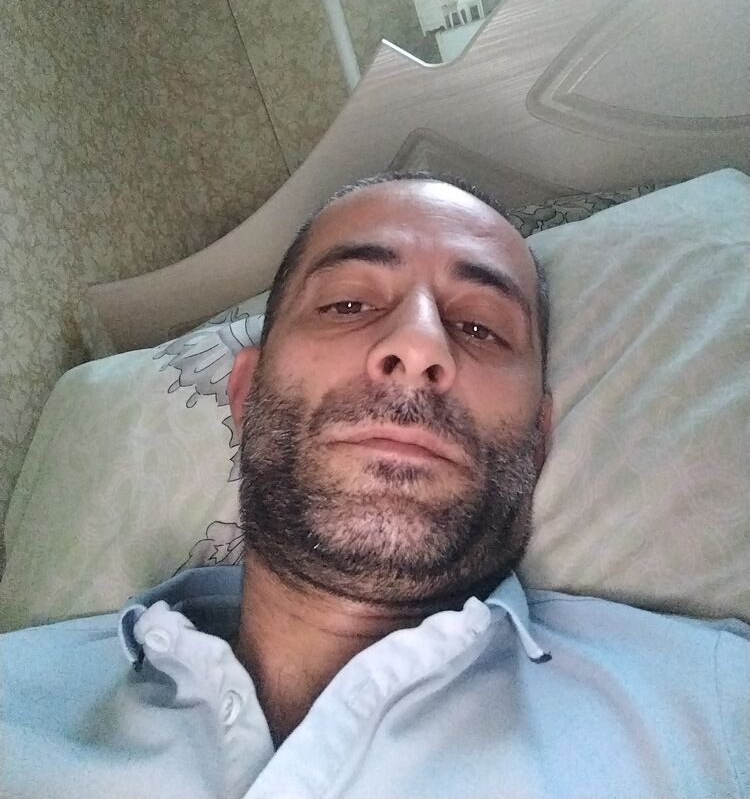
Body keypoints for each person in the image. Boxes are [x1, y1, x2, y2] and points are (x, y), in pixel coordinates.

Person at [1, 172, 747, 799]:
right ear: (245, 394)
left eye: (481, 326)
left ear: (539, 439)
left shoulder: (714, 713)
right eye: (348, 304)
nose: (418, 346)